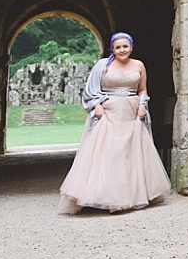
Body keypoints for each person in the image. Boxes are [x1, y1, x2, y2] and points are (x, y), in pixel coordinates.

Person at [58, 32, 171, 214]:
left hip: (131, 112)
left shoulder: (139, 65)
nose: (122, 50)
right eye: (118, 47)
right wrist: (97, 105)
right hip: (109, 112)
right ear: (112, 49)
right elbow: (90, 89)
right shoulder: (103, 65)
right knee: (110, 152)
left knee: (130, 152)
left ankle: (131, 194)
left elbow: (142, 89)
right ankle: (104, 195)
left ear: (131, 47)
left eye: (125, 46)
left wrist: (143, 105)